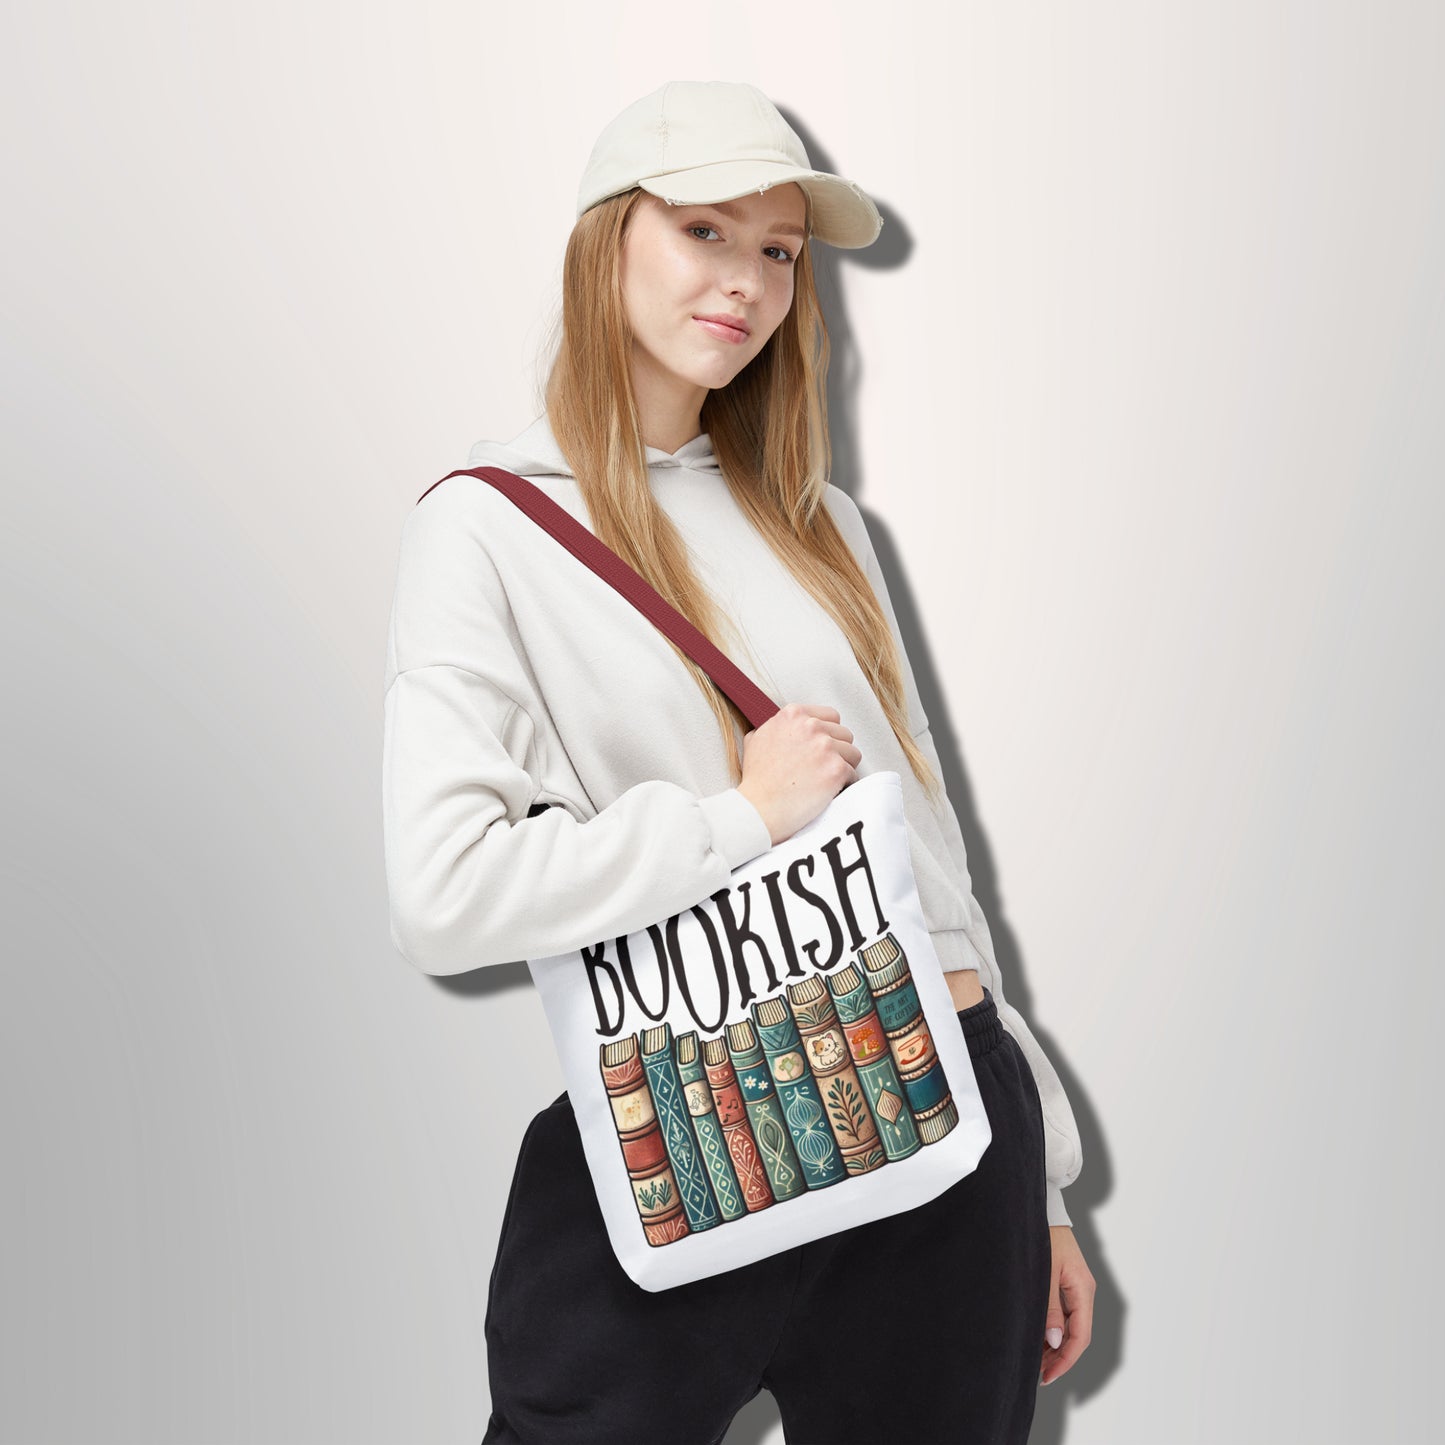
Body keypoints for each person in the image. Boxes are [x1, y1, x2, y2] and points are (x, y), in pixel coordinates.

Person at [383, 79, 1095, 1445]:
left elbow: (929, 861)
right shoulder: (489, 529)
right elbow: (443, 889)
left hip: (946, 1116)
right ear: (609, 242)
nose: (747, 282)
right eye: (705, 230)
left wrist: (1043, 1181)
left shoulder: (819, 522)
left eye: (775, 251)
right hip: (692, 1115)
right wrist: (738, 819)